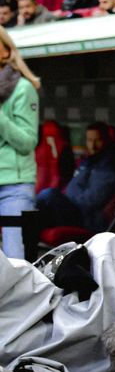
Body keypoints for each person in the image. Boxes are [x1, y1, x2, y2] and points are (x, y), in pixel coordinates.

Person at [36, 122, 115, 232]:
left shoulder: (109, 169)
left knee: (49, 194)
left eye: (98, 140)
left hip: (86, 220)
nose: (93, 146)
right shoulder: (86, 162)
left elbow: (90, 202)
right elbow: (72, 189)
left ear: (106, 141)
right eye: (90, 140)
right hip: (72, 211)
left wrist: (63, 200)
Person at [0, 29, 40, 260]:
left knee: (16, 260)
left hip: (13, 187)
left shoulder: (23, 88)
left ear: (6, 50)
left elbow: (27, 142)